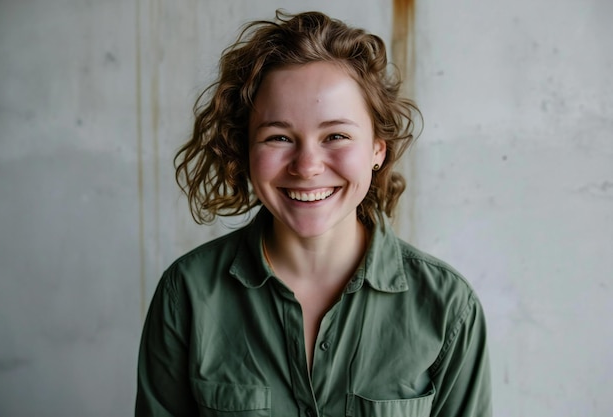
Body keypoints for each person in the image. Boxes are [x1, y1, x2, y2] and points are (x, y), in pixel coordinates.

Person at [135, 10, 492, 417]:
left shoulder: (448, 306)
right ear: (244, 149)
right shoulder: (187, 294)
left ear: (378, 148)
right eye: (279, 137)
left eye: (336, 135)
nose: (307, 166)